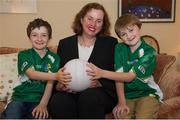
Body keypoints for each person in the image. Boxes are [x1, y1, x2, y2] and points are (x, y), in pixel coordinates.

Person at [48, 2, 118, 119]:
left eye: (98, 21)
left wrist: (100, 83)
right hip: (70, 93)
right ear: (81, 19)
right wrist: (60, 85)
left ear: (103, 24)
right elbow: (57, 74)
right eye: (90, 19)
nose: (93, 24)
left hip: (98, 94)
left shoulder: (111, 44)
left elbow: (116, 74)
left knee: (89, 97)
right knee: (59, 101)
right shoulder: (65, 44)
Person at [87, 13, 163, 119]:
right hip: (128, 96)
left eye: (131, 30)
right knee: (121, 116)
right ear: (120, 37)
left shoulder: (149, 52)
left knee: (143, 117)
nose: (129, 36)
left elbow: (129, 76)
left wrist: (102, 73)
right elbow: (119, 77)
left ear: (139, 27)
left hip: (147, 94)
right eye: (123, 34)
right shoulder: (119, 48)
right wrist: (121, 102)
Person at [1, 18, 70, 119]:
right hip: (19, 98)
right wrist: (56, 76)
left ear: (49, 38)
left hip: (38, 100)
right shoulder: (24, 55)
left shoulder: (54, 58)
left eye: (43, 35)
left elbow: (50, 84)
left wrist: (43, 105)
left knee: (38, 116)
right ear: (29, 37)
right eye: (34, 35)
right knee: (12, 115)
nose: (39, 39)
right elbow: (31, 74)